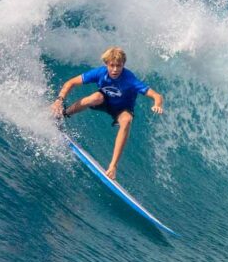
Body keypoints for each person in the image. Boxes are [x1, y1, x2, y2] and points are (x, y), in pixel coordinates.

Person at [51, 46, 164, 180]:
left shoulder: (130, 79)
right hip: (103, 102)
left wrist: (157, 104)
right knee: (95, 97)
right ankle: (62, 114)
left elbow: (156, 95)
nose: (115, 69)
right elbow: (71, 82)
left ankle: (113, 166)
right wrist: (59, 99)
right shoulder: (100, 73)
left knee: (127, 120)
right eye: (112, 65)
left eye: (119, 66)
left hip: (122, 110)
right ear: (106, 64)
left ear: (123, 64)